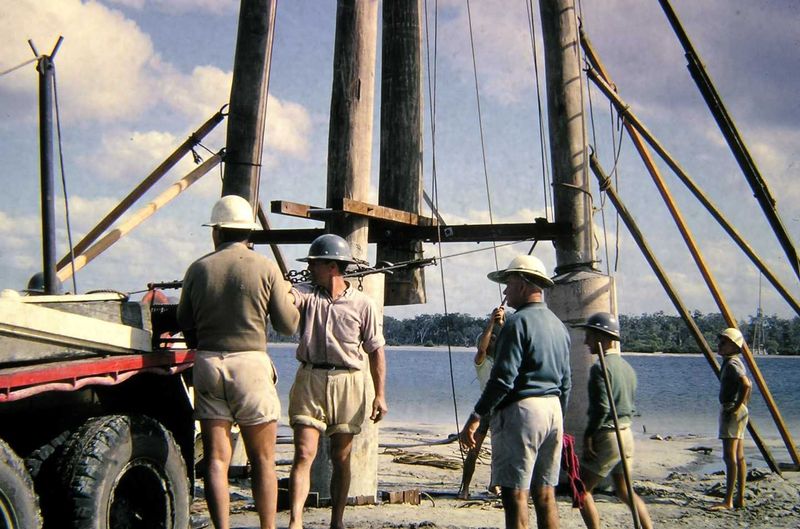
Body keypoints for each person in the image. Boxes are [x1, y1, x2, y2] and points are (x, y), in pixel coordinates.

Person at [177, 195, 299, 529]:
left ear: (216, 231)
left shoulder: (198, 268)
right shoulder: (265, 267)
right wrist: (290, 296)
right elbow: (288, 325)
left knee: (216, 460)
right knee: (263, 460)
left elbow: (183, 319)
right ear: (249, 232)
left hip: (208, 364)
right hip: (250, 366)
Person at [459, 254, 571, 529]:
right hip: (553, 410)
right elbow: (566, 383)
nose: (505, 292)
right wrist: (561, 419)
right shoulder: (558, 325)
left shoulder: (516, 323)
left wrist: (476, 415)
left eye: (508, 284)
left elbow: (502, 379)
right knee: (546, 495)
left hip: (523, 412)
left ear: (522, 284)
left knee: (516, 496)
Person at [287, 233, 388, 529]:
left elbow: (376, 351)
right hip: (310, 378)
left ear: (332, 266)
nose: (310, 268)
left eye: (315, 263)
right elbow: (290, 297)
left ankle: (337, 521)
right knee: (303, 453)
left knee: (341, 456)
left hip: (349, 381)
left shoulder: (363, 304)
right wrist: (283, 291)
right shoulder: (306, 294)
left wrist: (380, 395)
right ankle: (295, 521)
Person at [573, 312, 653, 529]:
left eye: (589, 336)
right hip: (626, 434)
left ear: (601, 337)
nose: (586, 341)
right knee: (625, 491)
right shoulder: (627, 367)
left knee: (581, 490)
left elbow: (602, 409)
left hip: (609, 435)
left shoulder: (600, 367)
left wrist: (589, 436)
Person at [458, 304, 505, 499]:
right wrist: (491, 323)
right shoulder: (481, 360)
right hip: (485, 409)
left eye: (495, 338)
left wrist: (501, 322)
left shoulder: (504, 360)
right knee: (473, 449)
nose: (493, 340)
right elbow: (482, 347)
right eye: (491, 338)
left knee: (500, 450)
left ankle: (495, 485)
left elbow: (509, 342)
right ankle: (465, 488)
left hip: (501, 408)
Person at [710, 327, 752, 510]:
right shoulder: (732, 362)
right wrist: (743, 404)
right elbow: (747, 385)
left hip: (731, 410)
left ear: (734, 347)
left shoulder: (733, 363)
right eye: (720, 341)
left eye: (724, 343)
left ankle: (728, 501)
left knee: (730, 457)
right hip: (737, 410)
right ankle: (739, 498)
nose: (720, 345)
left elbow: (746, 384)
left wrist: (736, 406)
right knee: (739, 456)